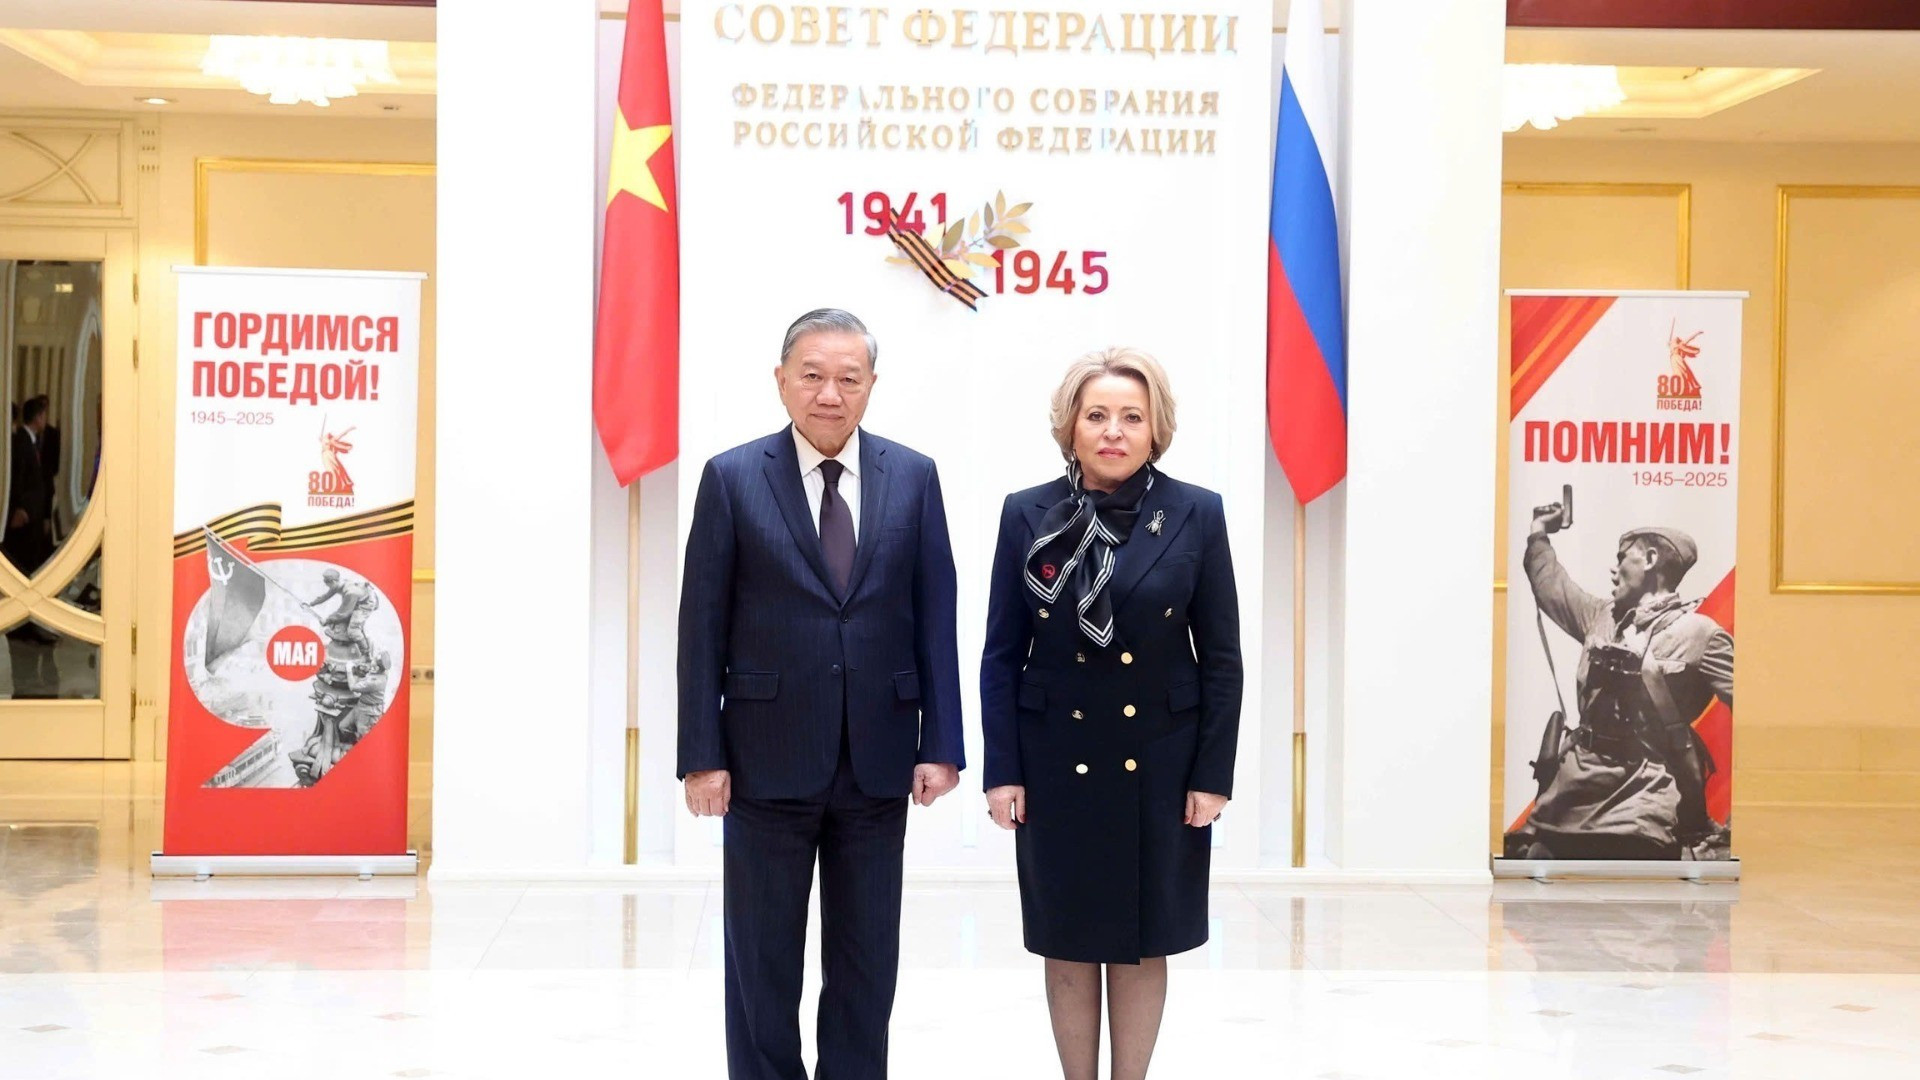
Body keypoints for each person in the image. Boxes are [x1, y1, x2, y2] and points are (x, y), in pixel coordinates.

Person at [677, 307, 965, 1080]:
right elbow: (701, 626)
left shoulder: (914, 476)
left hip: (878, 758)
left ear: (871, 385)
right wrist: (701, 755)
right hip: (763, 758)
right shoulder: (733, 477)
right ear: (781, 380)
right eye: (812, 375)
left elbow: (935, 613)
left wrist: (941, 743)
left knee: (867, 960)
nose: (829, 394)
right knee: (761, 958)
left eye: (848, 378)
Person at [980, 348, 1242, 1080]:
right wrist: (1002, 770)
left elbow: (1222, 656)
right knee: (1067, 934)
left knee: (1143, 936)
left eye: (1132, 416)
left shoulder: (1196, 512)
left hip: (1160, 756)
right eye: (1097, 415)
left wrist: (1212, 774)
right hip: (1053, 759)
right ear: (1071, 426)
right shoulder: (1027, 512)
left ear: (1157, 429)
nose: (1114, 431)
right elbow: (1001, 654)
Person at [1508, 503, 1734, 861]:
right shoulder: (1600, 616)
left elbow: (1756, 717)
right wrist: (1539, 532)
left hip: (1642, 800)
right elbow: (1551, 586)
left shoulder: (1700, 634)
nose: (1614, 570)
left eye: (1622, 557)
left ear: (1651, 559)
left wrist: (1741, 822)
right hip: (1569, 796)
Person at [6, 396, 53, 574]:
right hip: (24, 518)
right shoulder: (21, 441)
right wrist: (21, 509)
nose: (45, 420)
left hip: (33, 517)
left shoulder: (30, 441)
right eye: (44, 415)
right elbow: (17, 477)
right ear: (38, 417)